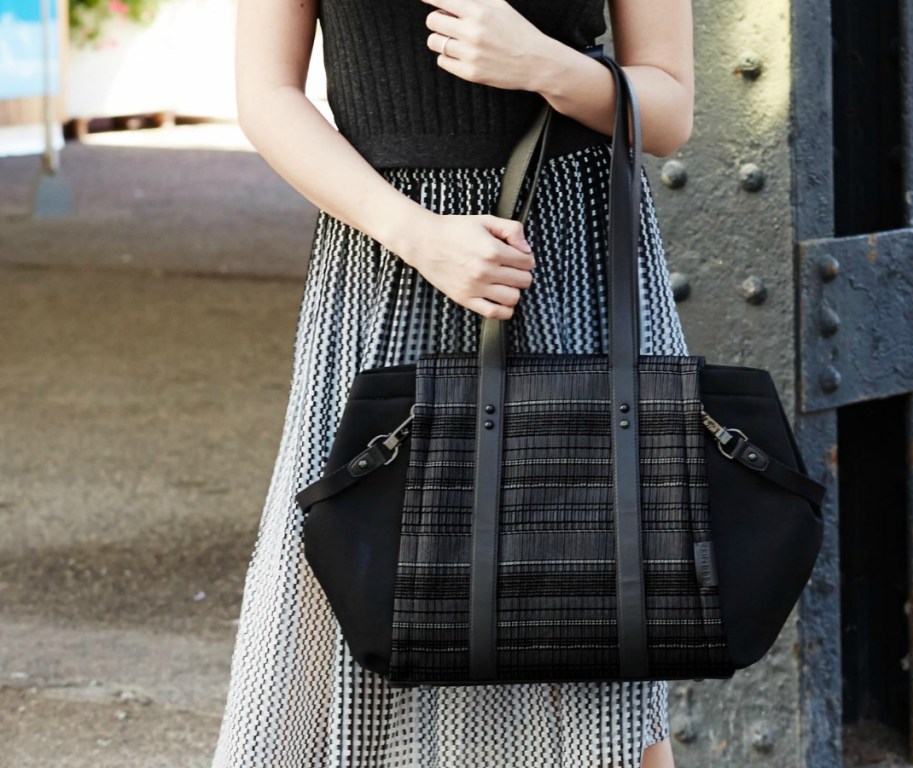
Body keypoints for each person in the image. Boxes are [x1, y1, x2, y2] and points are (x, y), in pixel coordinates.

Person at [212, 0, 695, 766]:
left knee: (593, 622)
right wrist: (418, 235)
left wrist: (545, 64)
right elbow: (267, 96)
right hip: (389, 263)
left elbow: (668, 108)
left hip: (572, 266)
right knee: (354, 600)